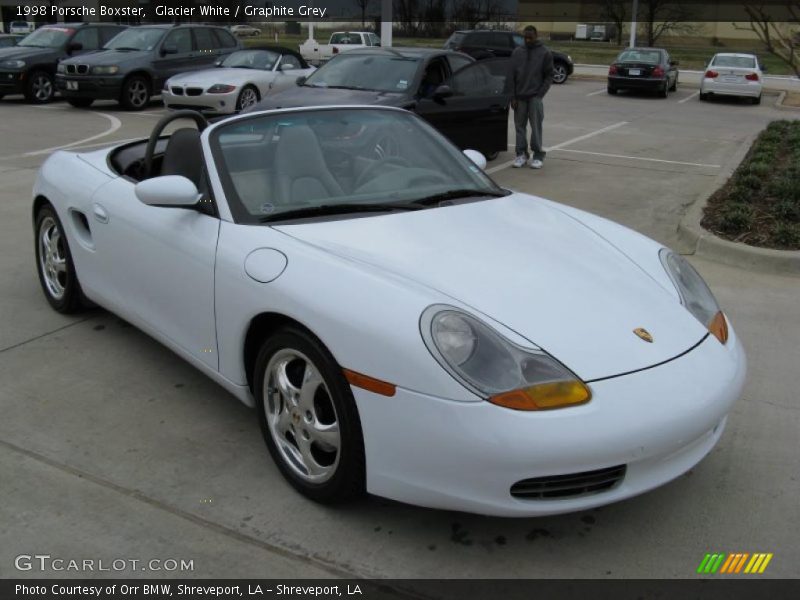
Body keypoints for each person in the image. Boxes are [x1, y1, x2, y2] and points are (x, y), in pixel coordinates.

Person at [506, 25, 554, 169]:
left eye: (530, 37)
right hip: (519, 97)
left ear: (536, 36)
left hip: (535, 97)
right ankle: (521, 155)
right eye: (525, 37)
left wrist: (540, 95)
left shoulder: (545, 53)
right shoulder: (517, 52)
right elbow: (511, 76)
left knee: (536, 127)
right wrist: (512, 97)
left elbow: (549, 75)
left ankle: (538, 155)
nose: (527, 40)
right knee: (520, 127)